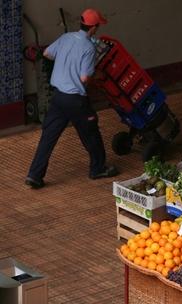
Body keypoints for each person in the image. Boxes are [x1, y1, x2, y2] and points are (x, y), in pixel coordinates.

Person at [25, 8, 118, 189]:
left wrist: (65, 63)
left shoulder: (66, 38)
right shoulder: (89, 48)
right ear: (94, 28)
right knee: (91, 133)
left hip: (58, 98)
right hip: (76, 100)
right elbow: (84, 78)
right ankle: (98, 168)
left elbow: (47, 54)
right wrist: (95, 75)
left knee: (48, 138)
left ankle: (34, 175)